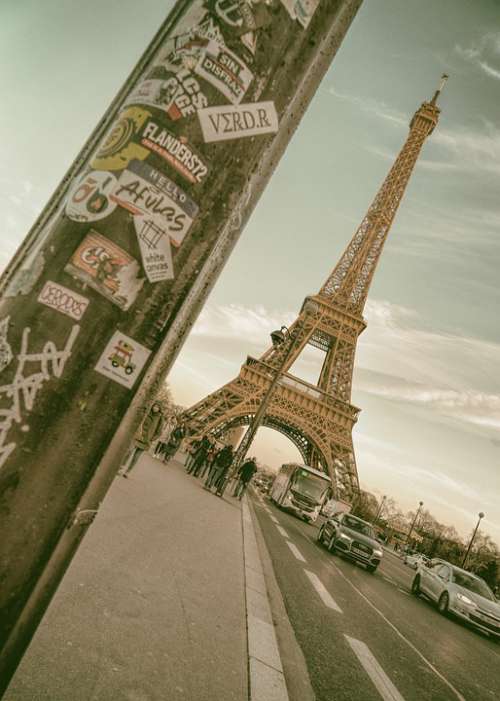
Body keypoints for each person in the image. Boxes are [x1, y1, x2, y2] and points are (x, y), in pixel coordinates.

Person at [119, 401, 164, 477]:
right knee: (129, 451)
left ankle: (128, 471)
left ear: (159, 409)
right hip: (138, 435)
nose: (155, 408)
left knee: (136, 457)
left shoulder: (160, 418)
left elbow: (159, 432)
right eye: (154, 406)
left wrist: (152, 439)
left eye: (157, 407)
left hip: (147, 439)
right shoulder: (147, 412)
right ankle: (121, 468)